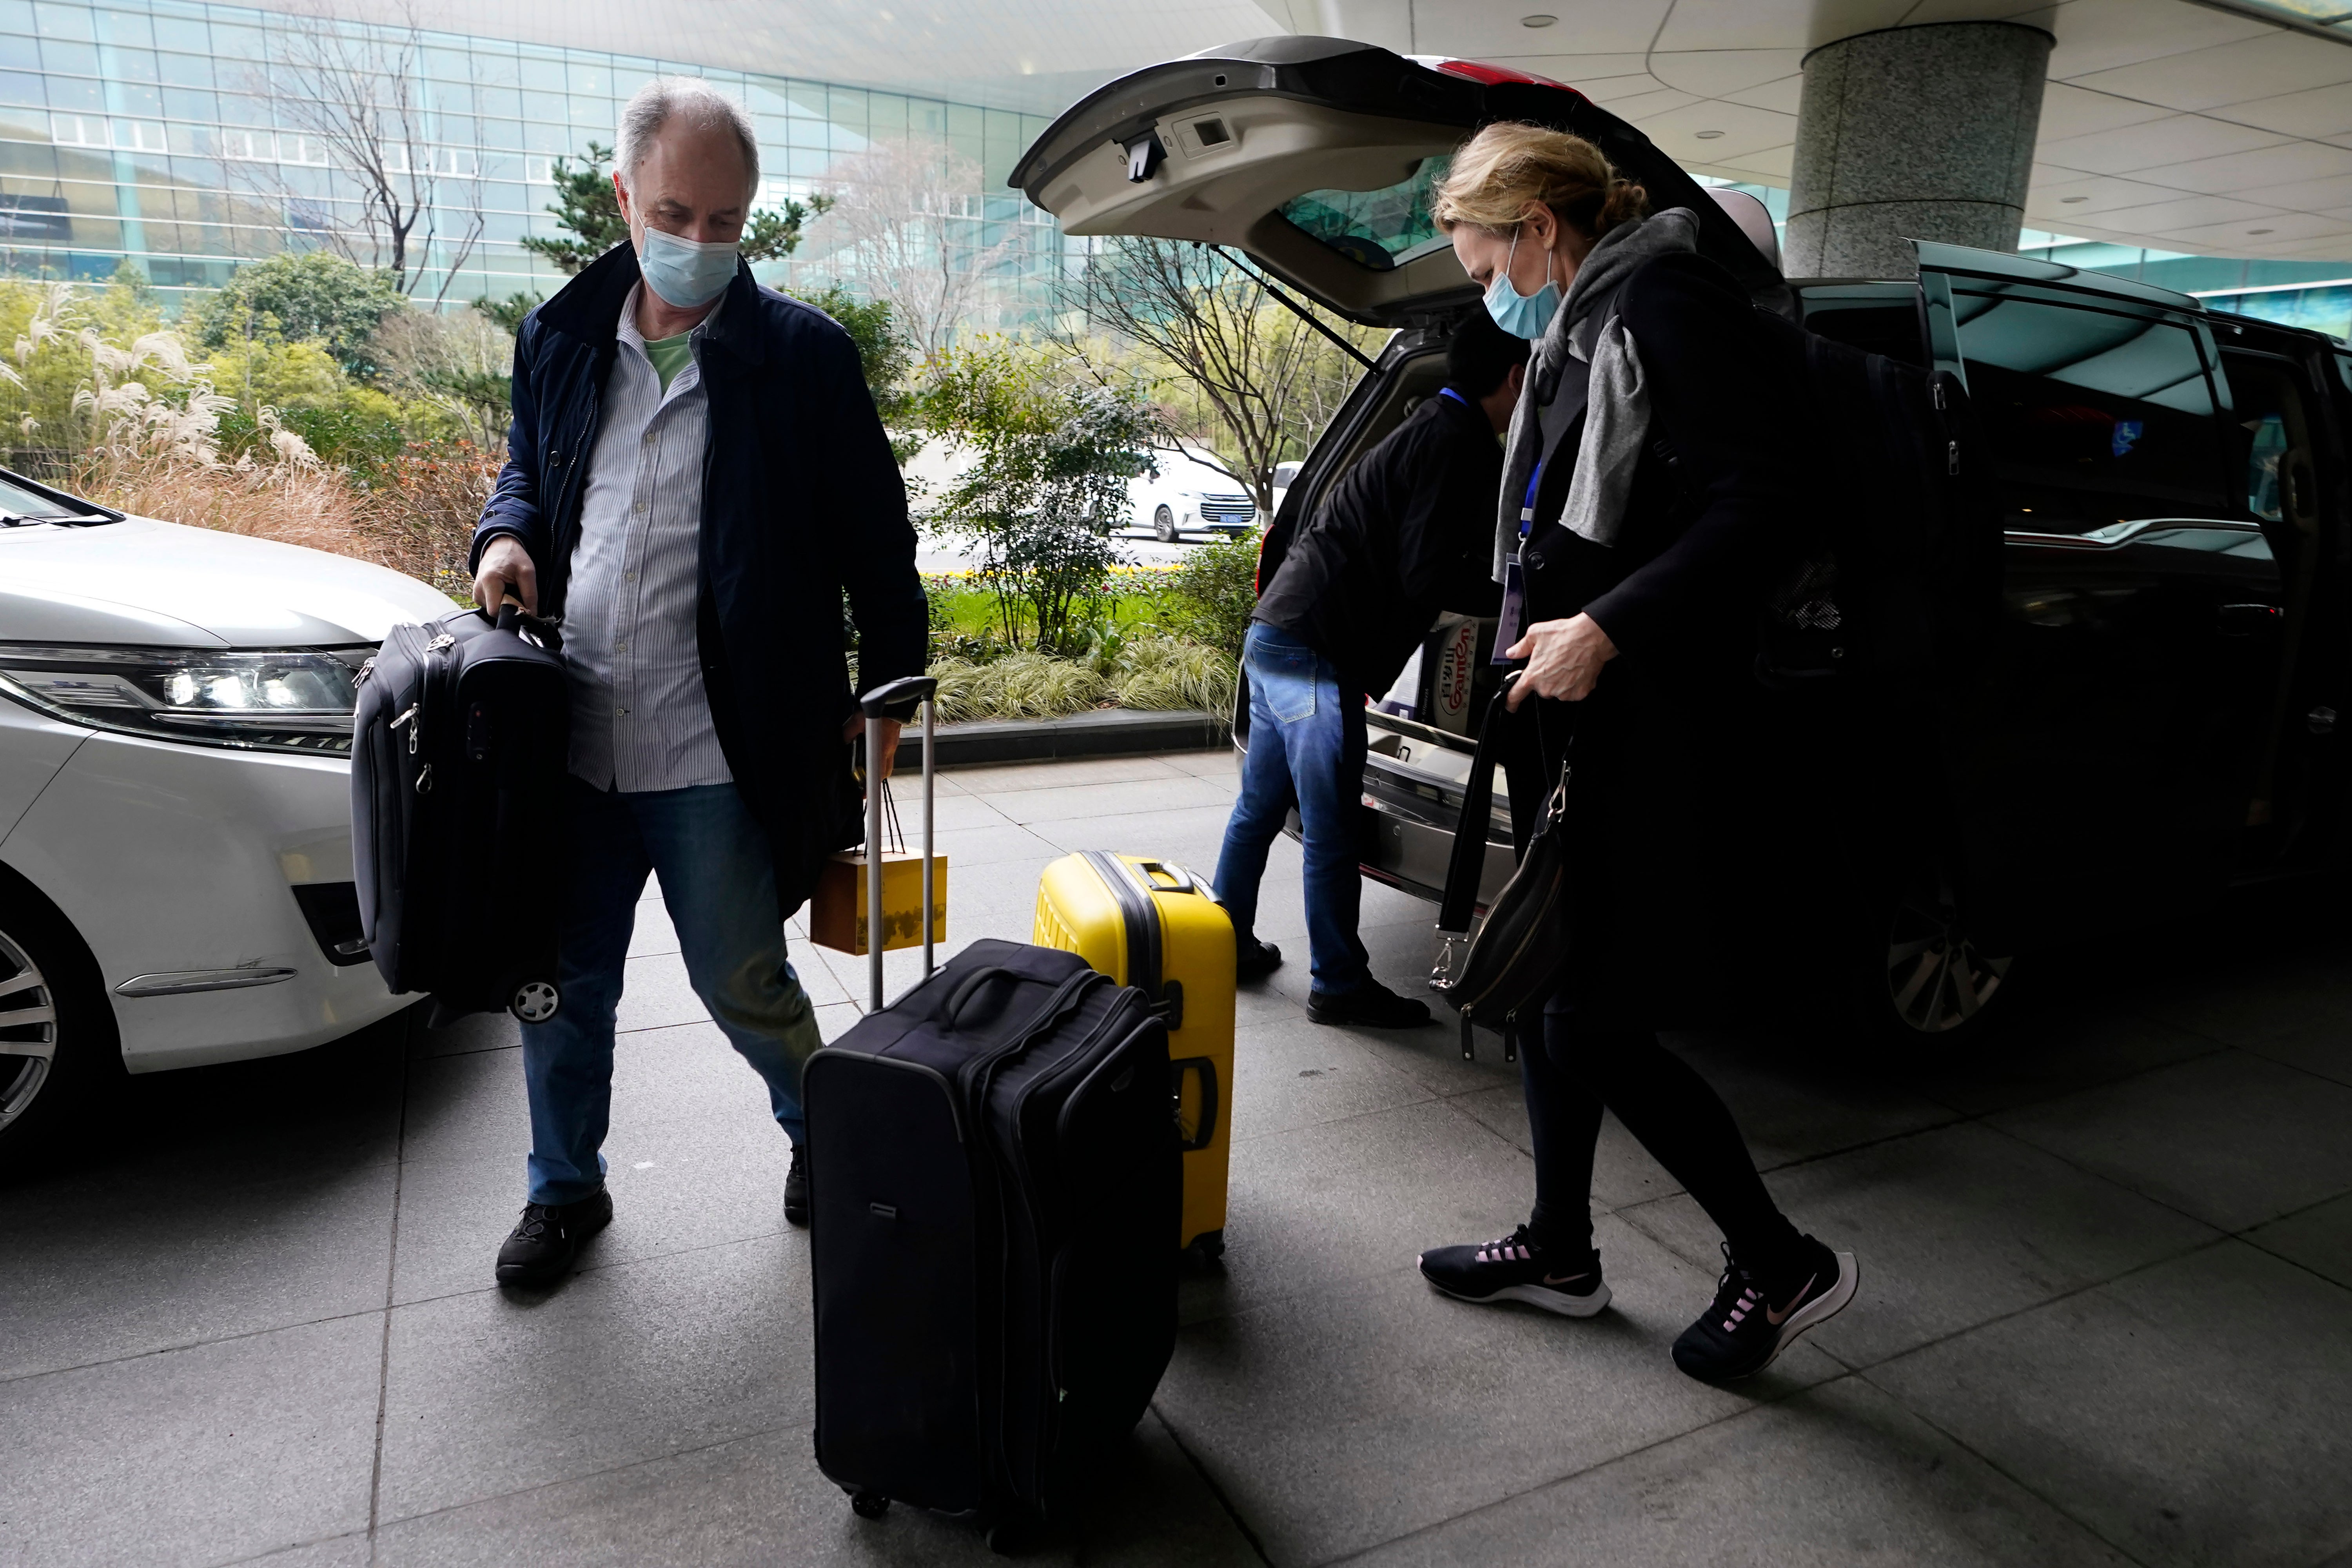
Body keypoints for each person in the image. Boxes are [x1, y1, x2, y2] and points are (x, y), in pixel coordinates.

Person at [1410, 123, 1859, 1384]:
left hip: (1657, 719)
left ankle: (1779, 1260)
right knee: (1556, 993)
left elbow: (1766, 499)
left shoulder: (1659, 295)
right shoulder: (1580, 323)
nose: (1480, 281)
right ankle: (1561, 1247)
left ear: (1539, 230)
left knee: (1591, 1016)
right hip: (1581, 713)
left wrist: (1607, 627)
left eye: (1482, 251)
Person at [469, 77, 926, 1288]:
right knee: (559, 990)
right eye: (678, 213)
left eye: (729, 222)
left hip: (716, 746)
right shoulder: (560, 339)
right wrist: (503, 540)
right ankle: (565, 1193)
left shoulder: (803, 363)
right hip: (570, 742)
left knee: (744, 978)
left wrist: (887, 703)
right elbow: (524, 473)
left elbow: (881, 552)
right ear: (625, 198)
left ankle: (817, 1136)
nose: (702, 244)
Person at [1212, 313, 1529, 1029]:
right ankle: (1340, 985)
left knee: (1260, 807)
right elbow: (1426, 573)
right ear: (1516, 378)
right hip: (1315, 654)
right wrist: (1517, 600)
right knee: (1332, 827)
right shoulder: (1461, 444)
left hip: (1275, 633)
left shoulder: (1423, 424)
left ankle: (1226, 942)